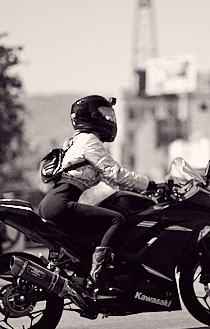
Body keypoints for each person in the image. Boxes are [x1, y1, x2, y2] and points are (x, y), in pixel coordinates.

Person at [38, 95, 156, 296]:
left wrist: (140, 189)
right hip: (61, 202)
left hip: (54, 201)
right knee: (116, 219)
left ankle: (88, 273)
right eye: (104, 114)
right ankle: (98, 275)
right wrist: (150, 184)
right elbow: (114, 173)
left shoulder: (76, 141)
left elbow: (110, 179)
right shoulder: (88, 140)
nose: (109, 119)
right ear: (91, 116)